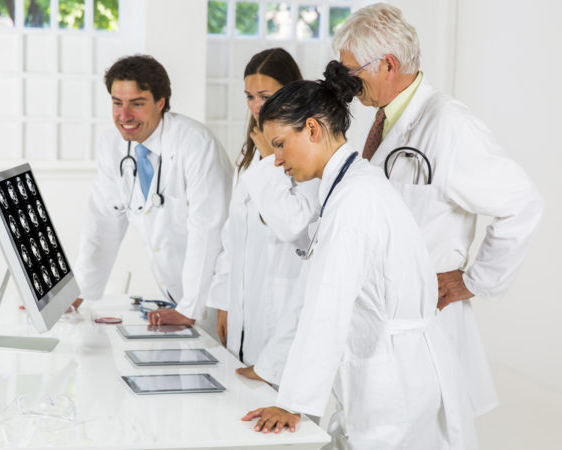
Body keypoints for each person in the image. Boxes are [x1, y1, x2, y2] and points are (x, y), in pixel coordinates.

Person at [242, 61, 476, 449]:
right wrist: (272, 369)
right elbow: (311, 295)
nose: (277, 160)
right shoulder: (349, 188)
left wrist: (293, 402)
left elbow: (326, 308)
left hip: (393, 384)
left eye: (280, 144)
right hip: (388, 373)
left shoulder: (354, 200)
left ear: (313, 128)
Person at [333, 3, 544, 416]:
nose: (345, 83)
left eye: (351, 71)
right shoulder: (384, 119)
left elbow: (523, 203)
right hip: (384, 323)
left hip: (425, 324)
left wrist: (475, 280)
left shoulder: (448, 125)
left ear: (388, 65)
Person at [73, 55, 232, 329]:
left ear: (160, 103)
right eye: (117, 103)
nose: (124, 116)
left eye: (137, 103)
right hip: (176, 297)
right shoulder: (112, 146)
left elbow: (208, 230)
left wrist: (190, 308)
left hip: (216, 300)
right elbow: (102, 222)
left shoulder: (195, 144)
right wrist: (79, 293)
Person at [207, 48, 319, 384]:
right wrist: (224, 301)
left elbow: (293, 225)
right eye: (250, 97)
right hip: (244, 307)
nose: (257, 106)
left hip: (281, 307)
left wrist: (273, 159)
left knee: (281, 413)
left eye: (265, 96)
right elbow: (233, 234)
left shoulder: (307, 149)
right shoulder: (251, 148)